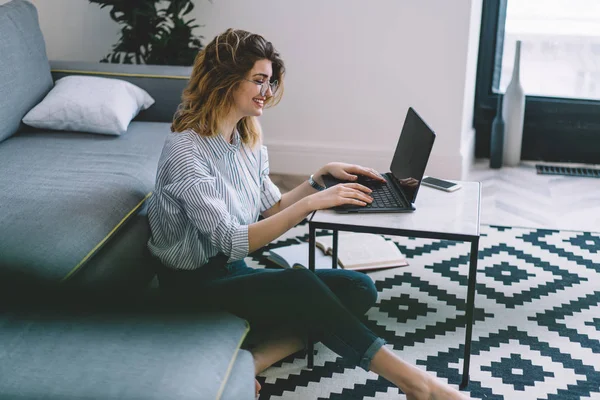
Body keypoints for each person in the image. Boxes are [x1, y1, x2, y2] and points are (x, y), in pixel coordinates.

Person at [147, 28, 470, 400]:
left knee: (358, 287)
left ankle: (252, 361)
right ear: (224, 80)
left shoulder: (244, 136)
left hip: (232, 275)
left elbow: (270, 208)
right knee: (302, 287)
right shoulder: (186, 153)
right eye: (259, 81)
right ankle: (418, 385)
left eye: (269, 81)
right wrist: (311, 203)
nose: (267, 92)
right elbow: (234, 242)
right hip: (189, 291)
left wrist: (318, 179)